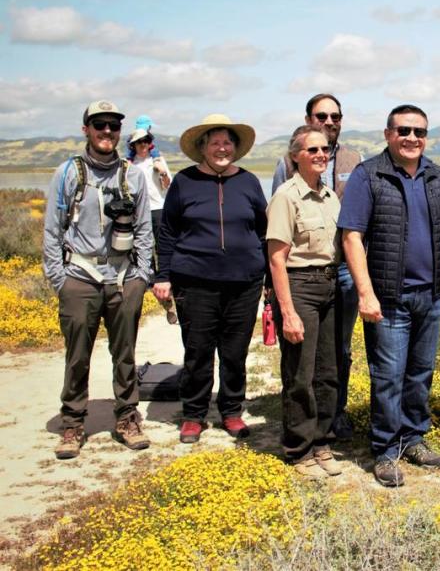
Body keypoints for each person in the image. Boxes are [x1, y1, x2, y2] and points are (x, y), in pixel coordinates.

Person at [338, 104, 440, 487]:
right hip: (388, 297)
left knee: (420, 373)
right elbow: (351, 236)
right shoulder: (369, 175)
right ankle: (386, 449)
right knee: (388, 376)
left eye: (419, 131)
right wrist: (365, 292)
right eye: (404, 130)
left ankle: (413, 437)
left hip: (431, 295)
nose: (412, 138)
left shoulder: (437, 177)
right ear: (388, 134)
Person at [42, 100, 153, 459]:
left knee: (125, 354)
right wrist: (59, 279)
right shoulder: (69, 173)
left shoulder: (132, 174)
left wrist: (141, 276)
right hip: (79, 275)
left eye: (113, 126)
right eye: (100, 125)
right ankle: (73, 422)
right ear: (86, 129)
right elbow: (52, 230)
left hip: (123, 277)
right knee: (78, 355)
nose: (108, 132)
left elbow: (144, 229)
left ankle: (127, 418)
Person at [153, 114, 267, 444]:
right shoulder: (185, 182)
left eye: (227, 142)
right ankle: (193, 415)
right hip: (195, 281)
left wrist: (269, 280)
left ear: (235, 148)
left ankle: (231, 411)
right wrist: (163, 276)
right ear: (203, 147)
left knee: (235, 352)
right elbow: (168, 232)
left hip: (244, 283)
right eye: (215, 142)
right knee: (198, 351)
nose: (222, 148)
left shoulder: (248, 182)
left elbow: (263, 231)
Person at [272, 93, 362, 441]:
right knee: (301, 357)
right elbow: (278, 228)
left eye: (335, 116)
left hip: (341, 268)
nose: (329, 122)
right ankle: (301, 429)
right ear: (309, 119)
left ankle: (333, 416)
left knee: (337, 350)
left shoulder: (355, 159)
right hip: (301, 273)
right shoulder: (286, 166)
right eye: (321, 116)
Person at [267, 125, 343, 479]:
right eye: (312, 150)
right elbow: (277, 259)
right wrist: (288, 312)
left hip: (330, 286)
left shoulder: (330, 197)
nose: (320, 155)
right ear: (295, 155)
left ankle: (322, 441)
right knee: (300, 374)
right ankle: (299, 448)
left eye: (324, 150)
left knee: (328, 373)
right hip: (300, 287)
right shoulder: (286, 196)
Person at [126, 124, 176, 323]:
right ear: (133, 145)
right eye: (139, 142)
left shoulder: (158, 161)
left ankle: (167, 286)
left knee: (163, 247)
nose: (143, 145)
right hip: (138, 211)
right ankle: (162, 297)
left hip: (158, 208)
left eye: (146, 141)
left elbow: (167, 185)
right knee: (143, 253)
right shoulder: (128, 165)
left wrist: (162, 172)